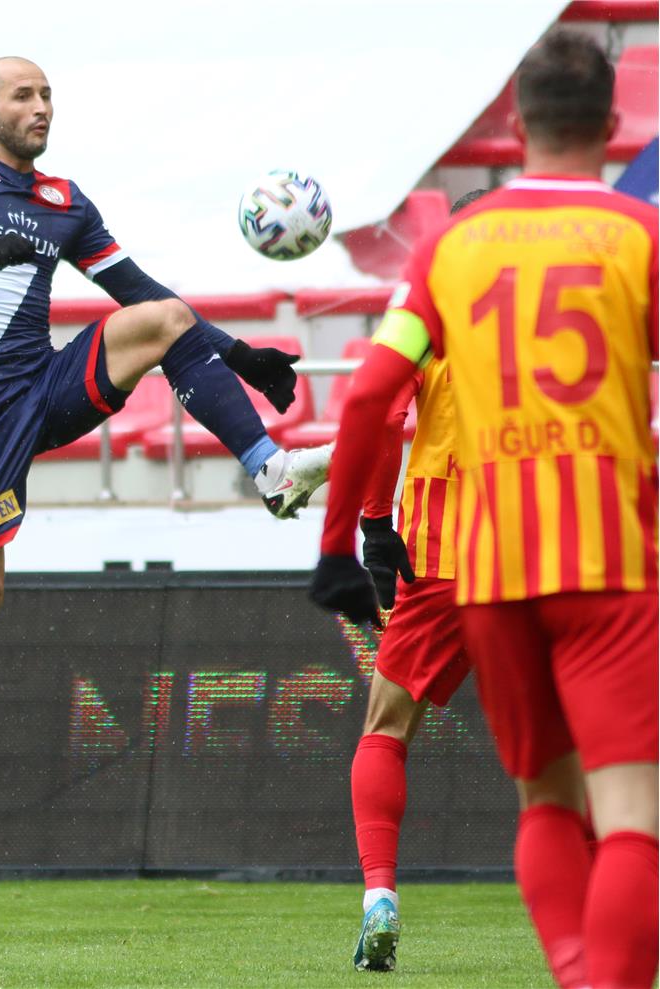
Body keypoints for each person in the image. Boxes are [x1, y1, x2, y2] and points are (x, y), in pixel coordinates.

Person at [0, 56, 332, 841]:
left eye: (47, 94)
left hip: (43, 383)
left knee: (165, 321)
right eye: (23, 95)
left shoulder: (66, 201)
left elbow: (139, 289)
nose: (41, 107)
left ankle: (271, 470)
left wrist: (239, 354)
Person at [310, 30, 657, 989]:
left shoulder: (450, 253)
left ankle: (384, 894)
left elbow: (370, 400)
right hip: (602, 552)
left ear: (515, 123)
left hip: (470, 556)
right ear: (613, 123)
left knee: (511, 783)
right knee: (627, 813)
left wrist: (349, 539)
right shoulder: (637, 234)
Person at [345, 189, 490, 973]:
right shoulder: (561, 307)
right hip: (553, 549)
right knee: (594, 740)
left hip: (442, 556)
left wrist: (375, 525)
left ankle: (380, 894)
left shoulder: (427, 315)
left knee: (386, 727)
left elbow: (377, 411)